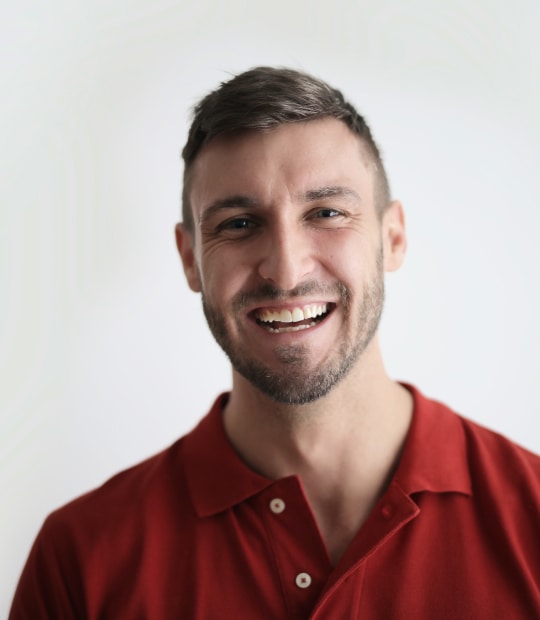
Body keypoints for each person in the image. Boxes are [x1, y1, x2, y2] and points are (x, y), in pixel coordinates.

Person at [10, 67, 540, 619]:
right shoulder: (81, 558)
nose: (286, 271)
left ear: (393, 238)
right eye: (239, 224)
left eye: (327, 213)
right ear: (190, 259)